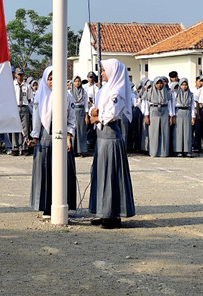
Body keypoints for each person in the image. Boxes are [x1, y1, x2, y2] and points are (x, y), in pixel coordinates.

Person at [88, 59, 136, 229]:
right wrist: (93, 113)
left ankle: (113, 215)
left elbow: (110, 115)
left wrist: (96, 117)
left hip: (110, 137)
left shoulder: (118, 92)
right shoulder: (104, 90)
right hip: (101, 137)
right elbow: (94, 109)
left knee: (111, 176)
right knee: (100, 174)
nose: (101, 73)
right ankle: (102, 211)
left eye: (103, 70)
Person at [28, 66, 77, 220]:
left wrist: (69, 137)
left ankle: (64, 205)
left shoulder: (66, 97)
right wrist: (34, 137)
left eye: (55, 78)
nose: (52, 82)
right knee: (45, 172)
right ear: (45, 80)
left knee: (63, 173)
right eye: (49, 79)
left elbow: (71, 119)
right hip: (44, 139)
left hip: (62, 139)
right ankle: (45, 207)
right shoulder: (39, 97)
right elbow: (36, 121)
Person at [144, 77, 174, 157]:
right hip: (153, 111)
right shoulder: (150, 92)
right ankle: (153, 152)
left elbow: (170, 104)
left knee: (165, 132)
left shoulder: (167, 92)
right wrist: (146, 116)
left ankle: (163, 152)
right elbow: (146, 105)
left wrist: (171, 116)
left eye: (161, 83)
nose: (159, 85)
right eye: (157, 83)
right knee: (154, 132)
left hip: (164, 111)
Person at [12, 68, 33, 156]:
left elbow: (29, 98)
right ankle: (15, 147)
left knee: (26, 128)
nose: (20, 76)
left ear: (24, 75)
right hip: (15, 107)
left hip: (24, 107)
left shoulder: (27, 85)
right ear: (15, 75)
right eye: (18, 74)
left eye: (21, 74)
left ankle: (25, 147)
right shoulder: (12, 85)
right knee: (14, 128)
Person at [173, 78, 195, 157]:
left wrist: (193, 117)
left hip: (187, 112)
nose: (184, 87)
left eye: (185, 85)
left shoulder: (191, 94)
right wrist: (173, 116)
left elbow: (192, 106)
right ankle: (179, 150)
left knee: (187, 132)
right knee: (179, 132)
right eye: (182, 85)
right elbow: (173, 105)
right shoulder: (176, 94)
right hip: (179, 112)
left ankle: (187, 150)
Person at [69, 76, 88, 156]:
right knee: (73, 130)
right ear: (73, 82)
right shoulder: (69, 92)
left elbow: (86, 104)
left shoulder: (84, 92)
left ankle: (81, 150)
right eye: (75, 81)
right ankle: (73, 150)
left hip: (81, 112)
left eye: (79, 81)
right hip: (73, 111)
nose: (77, 83)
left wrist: (86, 115)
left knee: (81, 131)